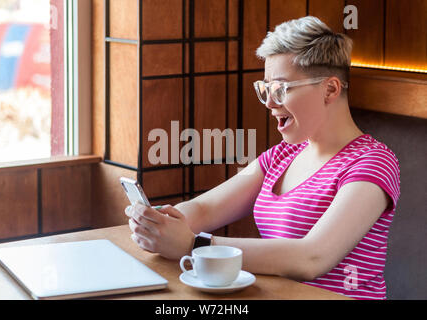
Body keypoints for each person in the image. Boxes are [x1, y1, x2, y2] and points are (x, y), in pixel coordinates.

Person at [125, 16, 400, 300]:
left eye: (281, 88)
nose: (269, 102)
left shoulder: (371, 162)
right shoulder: (283, 155)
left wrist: (195, 246)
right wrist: (159, 223)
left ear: (330, 89)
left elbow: (311, 258)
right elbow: (205, 209)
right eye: (266, 89)